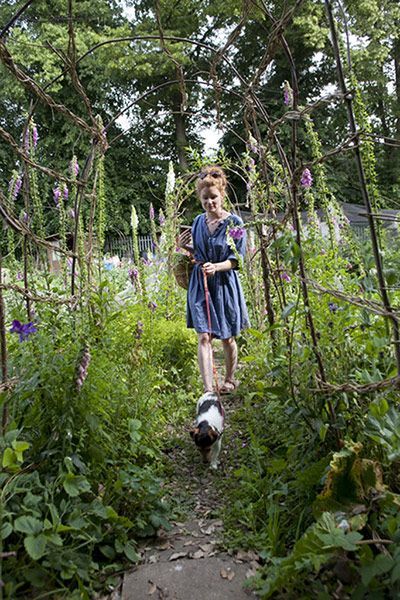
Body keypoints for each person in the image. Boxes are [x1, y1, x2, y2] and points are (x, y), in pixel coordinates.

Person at [184, 165, 250, 394]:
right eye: (205, 199)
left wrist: (218, 267)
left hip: (224, 285)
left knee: (227, 338)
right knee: (204, 336)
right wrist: (187, 252)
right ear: (200, 199)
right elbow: (198, 251)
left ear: (222, 195)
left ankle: (230, 379)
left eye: (214, 197)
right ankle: (209, 389)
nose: (210, 202)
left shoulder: (234, 224)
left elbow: (237, 260)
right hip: (201, 284)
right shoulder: (197, 223)